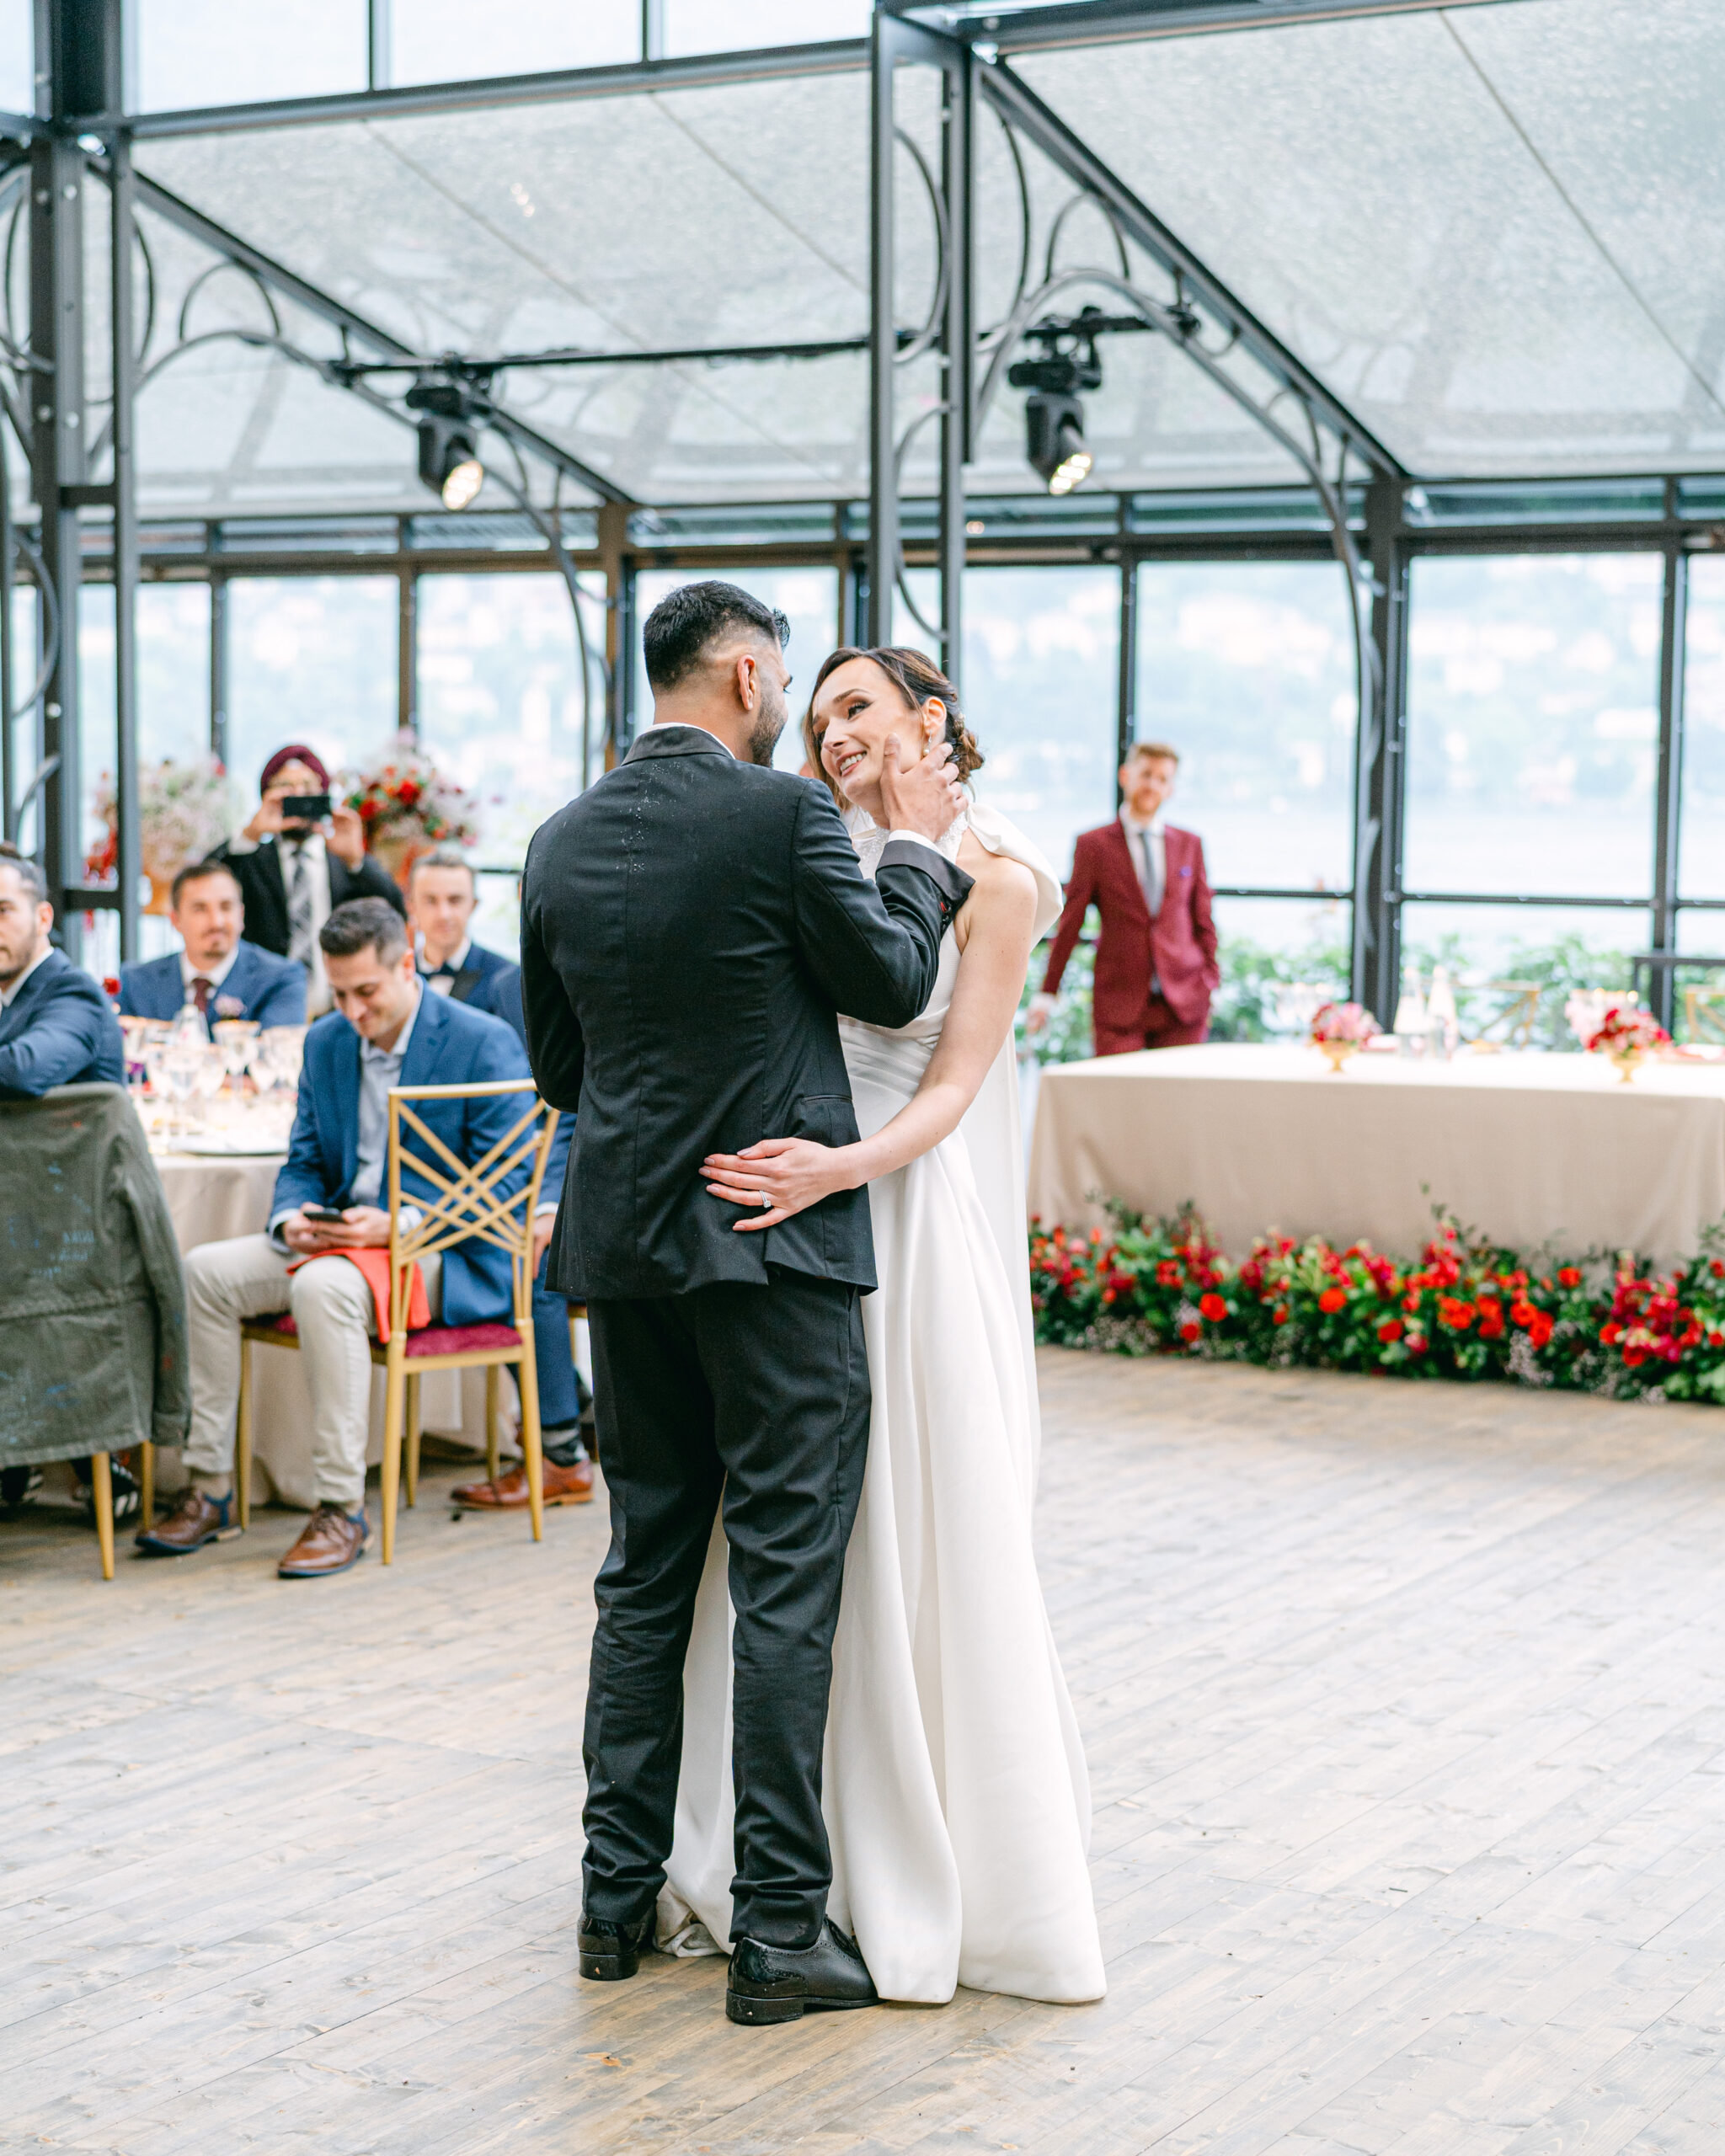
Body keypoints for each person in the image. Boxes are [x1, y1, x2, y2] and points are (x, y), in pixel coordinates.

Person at [519, 580, 972, 2026]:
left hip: (622, 1257)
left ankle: (609, 1904)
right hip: (771, 1250)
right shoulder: (779, 820)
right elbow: (897, 982)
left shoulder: (556, 840)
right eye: (779, 686)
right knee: (784, 1579)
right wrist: (915, 854)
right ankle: (780, 1933)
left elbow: (556, 1068)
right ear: (746, 673)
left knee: (643, 1577)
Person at [667, 646, 1107, 2009]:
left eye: (857, 706)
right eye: (818, 715)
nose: (833, 730)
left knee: (906, 1536)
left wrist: (833, 1168)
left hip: (897, 1221)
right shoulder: (808, 842)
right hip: (784, 1226)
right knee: (789, 1544)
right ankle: (779, 1862)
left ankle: (907, 1857)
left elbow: (957, 1082)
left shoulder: (1002, 875)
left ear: (931, 719)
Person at [137, 897, 534, 1579]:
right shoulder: (326, 1041)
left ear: (406, 965)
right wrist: (290, 1217)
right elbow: (302, 1162)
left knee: (324, 1286)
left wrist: (402, 1223)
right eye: (340, 993)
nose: (352, 1011)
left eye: (367, 993)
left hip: (444, 1250)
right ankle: (210, 1488)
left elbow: (505, 1184)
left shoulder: (481, 1040)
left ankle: (340, 1507)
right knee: (204, 1271)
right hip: (341, 1236)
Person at [448, 956, 596, 1512]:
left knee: (525, 1264)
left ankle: (561, 1453)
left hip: (584, 1183)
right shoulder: (506, 987)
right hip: (518, 1178)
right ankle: (576, 1408)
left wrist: (552, 1200)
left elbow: (575, 1107)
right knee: (494, 1249)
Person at [1029, 739, 1218, 1054]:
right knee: (1118, 1100)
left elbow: (1204, 919)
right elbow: (1071, 922)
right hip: (1119, 1001)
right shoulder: (1094, 846)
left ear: (1171, 788)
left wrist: (1212, 979)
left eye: (1163, 779)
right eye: (1146, 774)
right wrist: (1048, 992)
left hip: (1184, 1002)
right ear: (1125, 776)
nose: (1152, 785)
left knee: (1181, 1101)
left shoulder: (1190, 844)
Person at [213, 745, 405, 1017]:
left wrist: (356, 861)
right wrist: (250, 834)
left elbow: (394, 910)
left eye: (308, 785)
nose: (298, 794)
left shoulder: (341, 859)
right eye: (285, 786)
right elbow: (202, 883)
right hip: (262, 1008)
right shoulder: (250, 859)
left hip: (339, 1009)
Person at [118, 861, 307, 1033]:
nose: (216, 922)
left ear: (241, 915)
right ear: (175, 920)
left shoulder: (280, 979)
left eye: (226, 907)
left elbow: (274, 1059)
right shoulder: (137, 982)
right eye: (200, 909)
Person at [0, 844, 125, 1098]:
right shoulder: (11, 995)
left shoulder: (74, 992)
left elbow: (21, 1071)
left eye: (3, 911)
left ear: (43, 919)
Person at [407, 846, 514, 1007]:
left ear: (474, 905)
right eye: (430, 900)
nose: (444, 914)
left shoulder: (506, 977)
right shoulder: (396, 975)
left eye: (455, 900)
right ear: (412, 907)